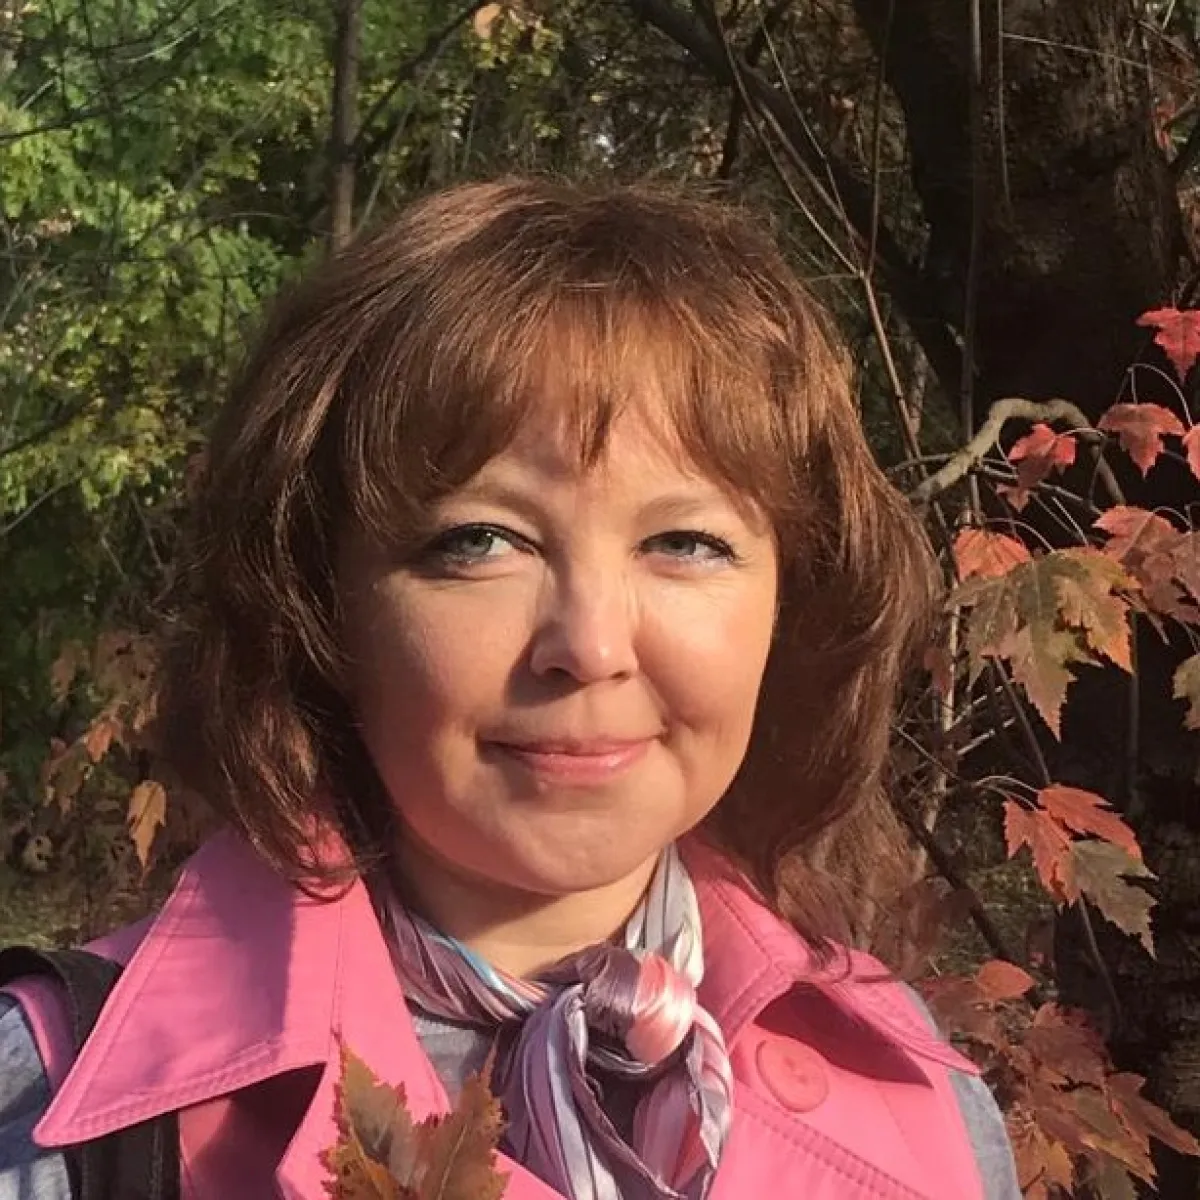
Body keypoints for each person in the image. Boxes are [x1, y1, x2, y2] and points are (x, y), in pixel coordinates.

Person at [0, 177, 1020, 1200]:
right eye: (481, 540)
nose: (590, 646)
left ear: (789, 606)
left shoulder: (922, 1103)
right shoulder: (47, 1112)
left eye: (685, 542)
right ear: (319, 604)